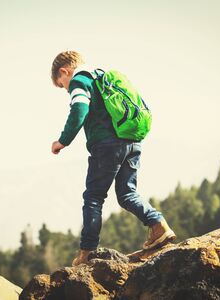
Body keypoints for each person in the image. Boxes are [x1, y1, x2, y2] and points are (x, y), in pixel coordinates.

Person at [50, 51, 176, 266]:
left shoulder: (79, 81)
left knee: (93, 198)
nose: (66, 88)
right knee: (127, 193)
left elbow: (79, 109)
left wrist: (63, 141)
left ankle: (86, 253)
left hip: (107, 146)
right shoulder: (102, 76)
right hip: (132, 141)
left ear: (64, 71)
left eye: (62, 84)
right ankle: (158, 225)